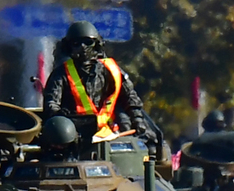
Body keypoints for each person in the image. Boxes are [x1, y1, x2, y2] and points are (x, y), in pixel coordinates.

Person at [43, 21, 164, 157]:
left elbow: (130, 98)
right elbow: (51, 104)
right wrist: (60, 117)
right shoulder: (61, 74)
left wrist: (138, 121)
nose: (82, 48)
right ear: (69, 46)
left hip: (109, 136)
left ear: (97, 44)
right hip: (72, 140)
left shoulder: (111, 70)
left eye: (87, 42)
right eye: (76, 43)